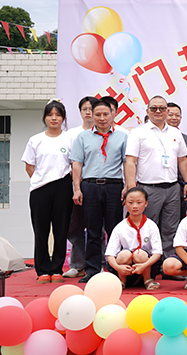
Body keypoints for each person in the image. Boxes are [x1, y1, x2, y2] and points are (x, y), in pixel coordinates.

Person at [125, 96, 187, 261]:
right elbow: (131, 161)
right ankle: (146, 262)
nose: (158, 111)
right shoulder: (138, 133)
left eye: (162, 108)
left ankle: (168, 263)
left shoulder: (175, 133)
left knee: (171, 228)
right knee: (147, 227)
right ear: (147, 111)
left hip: (173, 188)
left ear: (167, 111)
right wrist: (132, 188)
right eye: (154, 108)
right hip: (148, 188)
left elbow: (182, 160)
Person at [71, 99, 129, 283]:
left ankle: (114, 269)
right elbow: (77, 164)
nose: (102, 118)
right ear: (92, 115)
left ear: (112, 114)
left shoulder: (122, 136)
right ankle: (92, 270)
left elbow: (127, 163)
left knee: (114, 229)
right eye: (98, 114)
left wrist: (128, 186)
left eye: (105, 114)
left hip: (114, 186)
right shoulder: (83, 137)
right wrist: (77, 188)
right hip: (90, 186)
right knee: (92, 230)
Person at [22, 100, 74, 284]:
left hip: (63, 186)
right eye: (50, 115)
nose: (54, 118)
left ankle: (57, 269)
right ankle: (43, 270)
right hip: (40, 189)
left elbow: (75, 164)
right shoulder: (36, 140)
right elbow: (29, 166)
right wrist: (41, 180)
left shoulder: (69, 139)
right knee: (41, 230)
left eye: (58, 115)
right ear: (44, 117)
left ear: (63, 118)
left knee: (61, 230)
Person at [62, 96, 98, 279]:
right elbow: (68, 160)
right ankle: (77, 265)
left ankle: (99, 264)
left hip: (96, 184)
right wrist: (76, 184)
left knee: (97, 227)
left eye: (91, 109)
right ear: (80, 112)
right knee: (75, 226)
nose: (88, 112)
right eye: (85, 109)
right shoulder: (71, 134)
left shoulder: (103, 132)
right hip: (75, 184)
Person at [105, 187, 162, 290]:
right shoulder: (120, 227)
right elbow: (110, 254)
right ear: (125, 203)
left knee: (139, 254)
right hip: (124, 268)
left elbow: (157, 253)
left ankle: (148, 280)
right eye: (130, 202)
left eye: (139, 202)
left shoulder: (151, 225)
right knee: (124, 254)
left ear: (146, 203)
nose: (135, 206)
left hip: (145, 266)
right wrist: (118, 268)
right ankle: (122, 281)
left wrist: (144, 265)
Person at [167, 102, 187, 219]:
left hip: (180, 186)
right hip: (157, 186)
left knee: (178, 218)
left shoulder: (186, 139)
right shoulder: (152, 136)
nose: (174, 118)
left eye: (177, 115)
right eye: (170, 114)